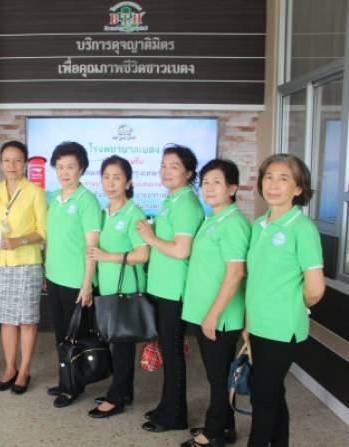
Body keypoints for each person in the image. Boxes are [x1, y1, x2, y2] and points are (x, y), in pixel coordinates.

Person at [245, 154, 325, 447]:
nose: (273, 185)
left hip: (281, 326)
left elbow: (315, 289)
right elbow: (257, 279)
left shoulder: (302, 229)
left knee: (262, 395)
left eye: (283, 178)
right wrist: (248, 323)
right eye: (268, 177)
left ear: (298, 188)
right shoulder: (260, 224)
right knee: (272, 392)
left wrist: (291, 304)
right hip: (258, 324)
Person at [180, 159, 250, 446]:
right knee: (215, 375)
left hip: (219, 316)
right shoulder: (214, 219)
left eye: (217, 182)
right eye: (205, 182)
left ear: (232, 188)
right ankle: (226, 427)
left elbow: (236, 273)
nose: (209, 188)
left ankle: (213, 434)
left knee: (218, 377)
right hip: (205, 311)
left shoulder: (233, 223)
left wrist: (212, 315)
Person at [136, 144, 204, 432]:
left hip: (175, 290)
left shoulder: (186, 203)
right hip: (162, 287)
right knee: (167, 349)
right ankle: (167, 406)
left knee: (173, 354)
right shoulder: (172, 199)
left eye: (174, 166)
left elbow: (181, 250)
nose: (166, 171)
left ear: (188, 173)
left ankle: (175, 416)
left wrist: (150, 238)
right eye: (163, 165)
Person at [87, 155, 149, 418]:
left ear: (128, 182)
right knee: (117, 343)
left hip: (127, 290)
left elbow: (143, 254)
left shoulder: (134, 213)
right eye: (106, 177)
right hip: (109, 288)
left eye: (117, 177)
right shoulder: (104, 213)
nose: (110, 183)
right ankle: (124, 391)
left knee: (122, 347)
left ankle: (116, 399)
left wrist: (107, 256)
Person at [0, 140, 47, 395]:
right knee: (7, 319)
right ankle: (10, 368)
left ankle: (24, 370)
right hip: (0, 262)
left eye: (17, 160)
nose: (12, 165)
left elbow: (43, 231)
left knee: (27, 320)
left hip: (27, 262)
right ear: (0, 163)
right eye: (7, 160)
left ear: (25, 163)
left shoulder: (35, 192)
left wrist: (18, 240)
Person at [45, 141, 102, 408]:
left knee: (76, 337)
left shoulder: (87, 201)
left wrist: (87, 285)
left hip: (76, 282)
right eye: (60, 166)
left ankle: (73, 387)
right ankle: (65, 379)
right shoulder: (55, 199)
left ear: (82, 169)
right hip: (55, 277)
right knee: (61, 335)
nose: (65, 172)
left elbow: (92, 247)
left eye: (71, 166)